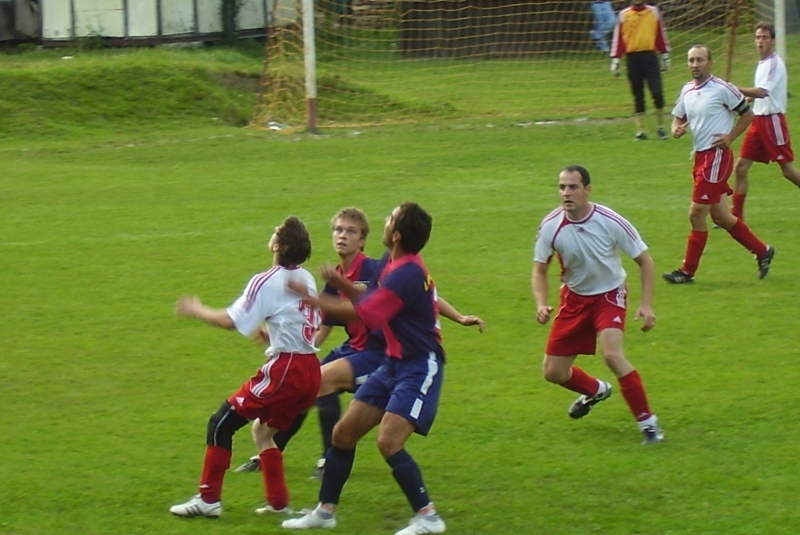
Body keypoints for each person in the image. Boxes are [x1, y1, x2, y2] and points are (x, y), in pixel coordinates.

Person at [236, 209, 484, 510]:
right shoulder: (355, 274)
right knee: (317, 395)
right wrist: (292, 347)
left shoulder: (390, 268)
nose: (342, 235)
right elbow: (324, 324)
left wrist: (458, 317)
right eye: (338, 229)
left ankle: (420, 511)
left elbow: (380, 306)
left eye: (350, 231)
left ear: (367, 240)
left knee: (330, 390)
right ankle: (307, 487)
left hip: (385, 356)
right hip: (364, 353)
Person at [282, 202, 448, 535]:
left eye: (389, 219)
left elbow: (367, 314)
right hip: (392, 362)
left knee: (388, 442)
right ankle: (325, 512)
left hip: (419, 366)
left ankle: (429, 517)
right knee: (342, 434)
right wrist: (341, 284)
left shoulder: (407, 273)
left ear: (396, 235)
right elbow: (369, 299)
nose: (384, 222)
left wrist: (312, 298)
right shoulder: (393, 263)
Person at [169, 216, 322, 518]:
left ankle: (208, 499)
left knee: (220, 423)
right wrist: (273, 333)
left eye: (275, 231)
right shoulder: (306, 278)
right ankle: (279, 503)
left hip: (286, 370)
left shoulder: (266, 280)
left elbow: (231, 321)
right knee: (263, 431)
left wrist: (196, 309)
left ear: (278, 245)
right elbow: (298, 318)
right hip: (309, 370)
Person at [532, 165, 662, 445]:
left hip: (609, 296)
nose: (566, 193)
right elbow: (539, 270)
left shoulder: (609, 220)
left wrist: (647, 304)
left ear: (587, 190)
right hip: (574, 299)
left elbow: (645, 261)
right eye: (562, 187)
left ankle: (648, 424)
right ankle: (596, 390)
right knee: (553, 373)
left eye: (573, 187)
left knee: (612, 355)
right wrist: (541, 303)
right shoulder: (551, 226)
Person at [663, 44, 775, 284]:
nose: (695, 65)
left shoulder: (723, 89)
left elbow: (748, 114)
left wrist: (730, 137)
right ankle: (763, 251)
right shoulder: (687, 90)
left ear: (709, 62)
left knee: (695, 214)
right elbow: (678, 116)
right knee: (722, 217)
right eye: (691, 60)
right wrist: (676, 128)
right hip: (700, 158)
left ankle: (687, 271)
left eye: (699, 60)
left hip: (717, 157)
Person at [732, 21, 800, 221]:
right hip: (758, 122)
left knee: (787, 170)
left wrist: (735, 88)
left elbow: (762, 92)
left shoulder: (773, 64)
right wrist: (742, 101)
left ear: (773, 41)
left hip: (773, 123)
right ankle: (736, 215)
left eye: (765, 37)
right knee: (741, 167)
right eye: (758, 37)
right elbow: (759, 93)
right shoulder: (762, 64)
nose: (760, 41)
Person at [610, 0, 671, 141]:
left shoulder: (653, 12)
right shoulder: (624, 15)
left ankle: (661, 127)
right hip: (633, 59)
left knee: (657, 92)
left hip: (650, 58)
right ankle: (641, 130)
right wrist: (616, 60)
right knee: (638, 95)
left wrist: (665, 56)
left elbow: (660, 36)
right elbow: (618, 40)